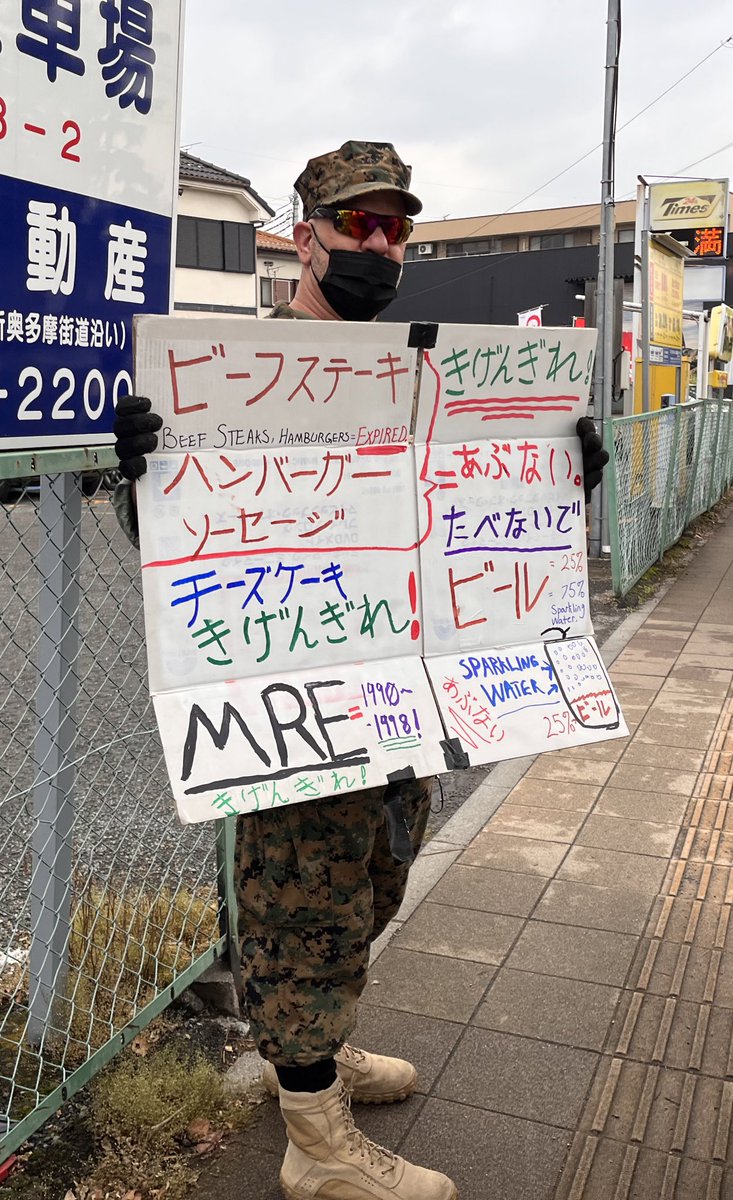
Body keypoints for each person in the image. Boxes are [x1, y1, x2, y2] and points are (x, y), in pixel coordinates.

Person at [113, 140, 609, 1200]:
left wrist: (561, 472)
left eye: (395, 229)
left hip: (400, 692)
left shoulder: (413, 374)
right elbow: (176, 547)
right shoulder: (231, 368)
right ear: (307, 238)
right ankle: (314, 1143)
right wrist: (146, 467)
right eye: (358, 226)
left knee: (375, 881)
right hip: (292, 699)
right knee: (305, 905)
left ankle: (321, 1062)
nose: (380, 248)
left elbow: (472, 519)